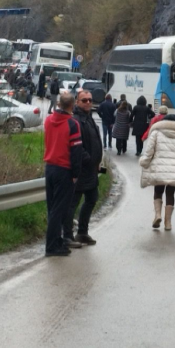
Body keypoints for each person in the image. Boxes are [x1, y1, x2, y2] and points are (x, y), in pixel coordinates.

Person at [139, 114, 175, 231]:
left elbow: (149, 151)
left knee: (158, 191)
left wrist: (145, 161)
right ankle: (168, 223)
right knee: (170, 194)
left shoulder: (156, 133)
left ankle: (157, 215)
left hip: (159, 169)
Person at [42, 92, 83, 257]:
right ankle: (52, 246)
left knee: (52, 208)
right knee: (59, 210)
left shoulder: (48, 120)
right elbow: (76, 151)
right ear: (72, 106)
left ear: (58, 104)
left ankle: (57, 241)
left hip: (50, 167)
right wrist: (75, 173)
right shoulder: (72, 124)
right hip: (64, 169)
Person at [67, 90, 102, 246]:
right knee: (72, 203)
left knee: (92, 199)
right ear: (77, 102)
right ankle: (67, 235)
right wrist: (88, 160)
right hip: (80, 169)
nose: (88, 102)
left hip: (92, 169)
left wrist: (97, 161)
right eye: (84, 100)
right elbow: (77, 146)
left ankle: (82, 232)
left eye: (90, 100)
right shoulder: (76, 120)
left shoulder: (89, 118)